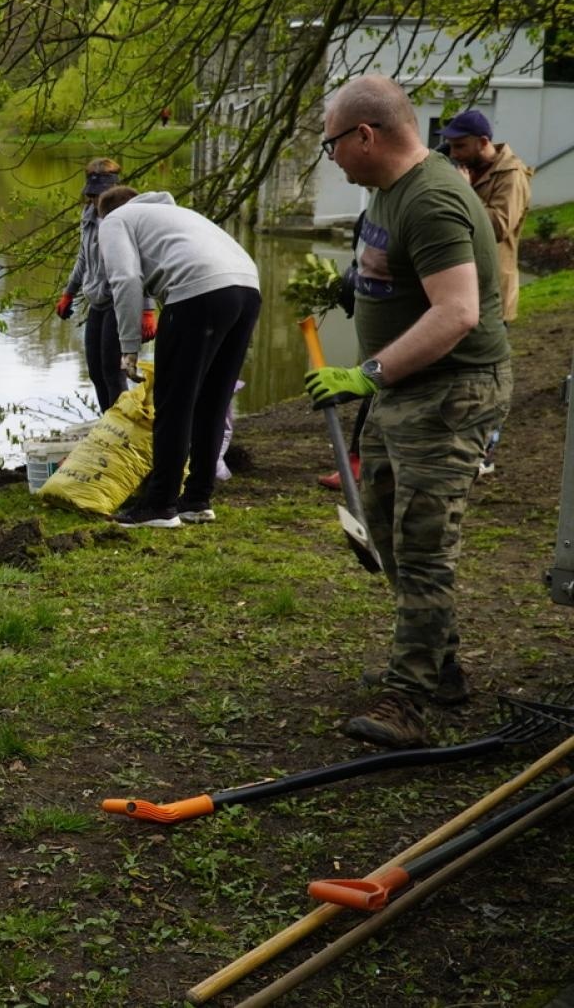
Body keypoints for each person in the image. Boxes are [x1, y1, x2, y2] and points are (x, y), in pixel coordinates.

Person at [305, 75, 511, 749]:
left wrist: (365, 374)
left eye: (333, 142)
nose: (330, 155)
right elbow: (385, 274)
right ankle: (440, 665)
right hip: (406, 392)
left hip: (451, 392)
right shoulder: (387, 196)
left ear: (366, 135)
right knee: (389, 532)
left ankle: (411, 699)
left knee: (423, 544)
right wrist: (338, 290)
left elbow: (458, 312)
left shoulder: (434, 200)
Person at [97, 186, 261, 528]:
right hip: (247, 287)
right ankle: (197, 499)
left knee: (174, 401)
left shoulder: (114, 220)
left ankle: (159, 505)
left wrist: (128, 347)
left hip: (198, 291)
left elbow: (125, 279)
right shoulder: (174, 214)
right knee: (213, 399)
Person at [439, 108, 532, 474]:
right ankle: (456, 447)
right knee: (454, 376)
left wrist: (462, 193)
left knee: (487, 377)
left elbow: (497, 226)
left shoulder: (512, 176)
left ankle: (484, 454)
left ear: (483, 143)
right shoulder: (465, 170)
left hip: (492, 294)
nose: (454, 154)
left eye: (460, 146)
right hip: (459, 290)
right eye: (450, 146)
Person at [55, 159, 156, 412]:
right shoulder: (88, 215)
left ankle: (122, 431)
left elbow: (140, 265)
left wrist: (146, 309)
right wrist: (69, 292)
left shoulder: (124, 216)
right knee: (96, 372)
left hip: (120, 301)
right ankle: (108, 426)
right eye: (92, 193)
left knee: (113, 372)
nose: (95, 200)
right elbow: (83, 257)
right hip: (97, 301)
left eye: (100, 193)